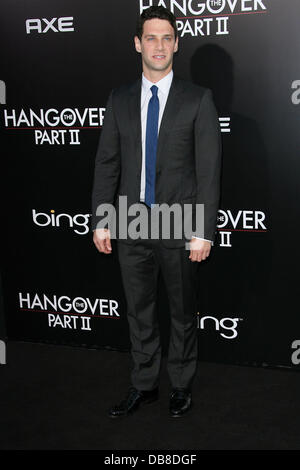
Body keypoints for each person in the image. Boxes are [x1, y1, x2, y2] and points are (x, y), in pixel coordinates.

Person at [91, 6, 222, 418]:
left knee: (182, 313)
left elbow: (209, 171)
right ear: (137, 43)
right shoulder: (119, 99)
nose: (159, 45)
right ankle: (144, 383)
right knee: (139, 311)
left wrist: (203, 230)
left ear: (176, 44)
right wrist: (101, 218)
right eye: (151, 37)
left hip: (180, 224)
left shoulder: (198, 100)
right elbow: (107, 163)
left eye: (167, 37)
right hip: (131, 222)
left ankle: (181, 385)